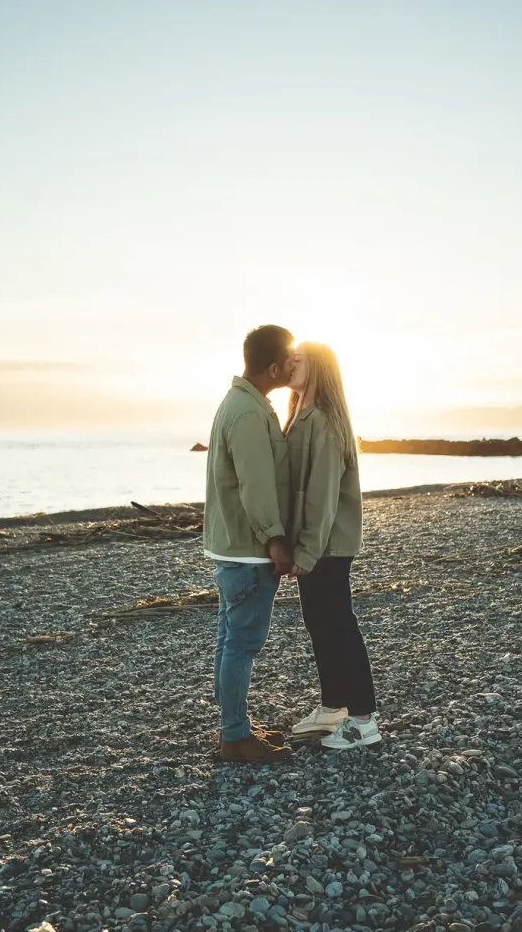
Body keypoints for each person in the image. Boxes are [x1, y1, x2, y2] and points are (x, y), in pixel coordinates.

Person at [204, 325, 295, 764]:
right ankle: (235, 738)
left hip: (232, 546)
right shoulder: (247, 413)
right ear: (274, 368)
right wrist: (275, 539)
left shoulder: (239, 403)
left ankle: (234, 726)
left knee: (230, 640)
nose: (294, 366)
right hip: (247, 551)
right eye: (289, 360)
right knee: (241, 644)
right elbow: (255, 485)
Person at [285, 343, 380, 750]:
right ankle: (333, 706)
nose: (290, 363)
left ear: (318, 369)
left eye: (299, 359)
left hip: (328, 543)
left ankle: (363, 721)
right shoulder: (301, 414)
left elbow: (321, 496)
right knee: (320, 625)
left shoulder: (323, 421)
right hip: (316, 542)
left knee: (339, 626)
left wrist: (306, 551)